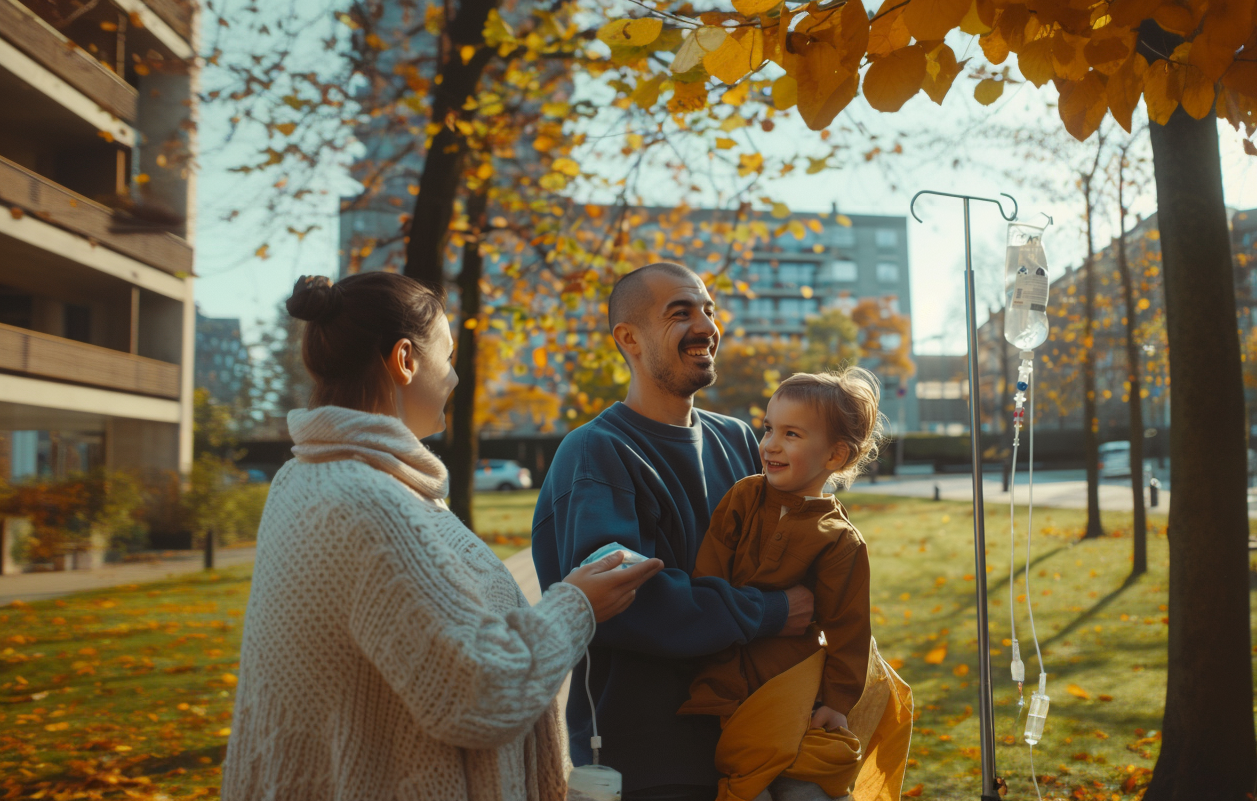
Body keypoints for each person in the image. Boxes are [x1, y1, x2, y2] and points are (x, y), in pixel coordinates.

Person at [223, 273, 663, 801]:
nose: (454, 377)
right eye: (448, 356)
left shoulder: (314, 476)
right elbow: (478, 692)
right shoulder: (365, 502)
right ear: (405, 360)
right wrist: (577, 605)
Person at [532, 263, 815, 801]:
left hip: (763, 735)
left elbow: (789, 553)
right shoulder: (596, 451)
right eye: (680, 313)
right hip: (656, 761)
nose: (706, 325)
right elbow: (626, 600)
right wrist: (771, 612)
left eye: (708, 310)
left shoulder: (736, 438)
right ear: (629, 338)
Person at [679, 368, 887, 801]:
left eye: (791, 434)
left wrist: (836, 702)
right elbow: (708, 578)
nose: (770, 444)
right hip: (729, 683)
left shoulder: (839, 539)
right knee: (747, 782)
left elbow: (851, 629)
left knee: (802, 787)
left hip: (792, 690)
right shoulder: (743, 497)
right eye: (769, 428)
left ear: (834, 456)